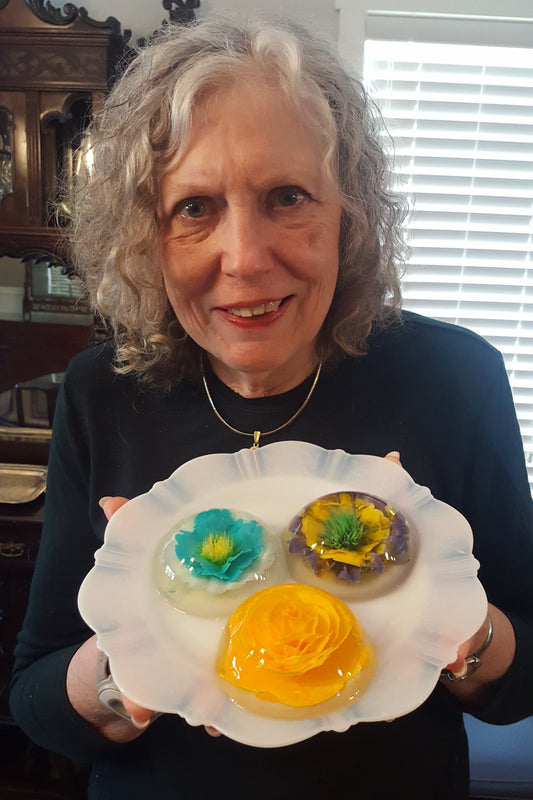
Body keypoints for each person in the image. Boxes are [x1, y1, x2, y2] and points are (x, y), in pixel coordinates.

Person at [9, 13, 533, 800]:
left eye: (286, 196)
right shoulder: (101, 390)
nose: (246, 259)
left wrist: (453, 623)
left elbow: (523, 686)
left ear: (348, 216)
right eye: (193, 208)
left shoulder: (452, 377)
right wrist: (135, 653)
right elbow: (35, 701)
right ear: (144, 236)